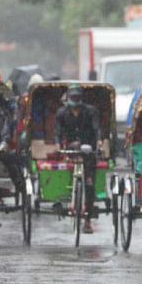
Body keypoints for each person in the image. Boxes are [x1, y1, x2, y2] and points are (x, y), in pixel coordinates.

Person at [54, 84, 103, 233]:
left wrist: (99, 142)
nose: (75, 99)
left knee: (89, 183)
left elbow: (96, 129)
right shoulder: (62, 112)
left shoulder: (91, 111)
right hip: (71, 149)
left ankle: (87, 219)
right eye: (73, 97)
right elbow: (57, 131)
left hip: (88, 149)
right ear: (69, 97)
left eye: (77, 97)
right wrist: (57, 144)